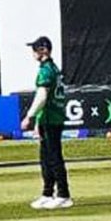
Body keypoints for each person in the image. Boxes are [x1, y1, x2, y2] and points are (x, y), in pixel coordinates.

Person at [21, 35, 73, 209]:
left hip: (52, 118)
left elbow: (42, 96)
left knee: (53, 157)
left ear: (44, 50)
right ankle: (47, 193)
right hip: (48, 118)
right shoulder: (52, 68)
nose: (33, 53)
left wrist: (29, 115)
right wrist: (37, 121)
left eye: (35, 49)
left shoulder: (47, 70)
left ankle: (63, 194)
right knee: (45, 157)